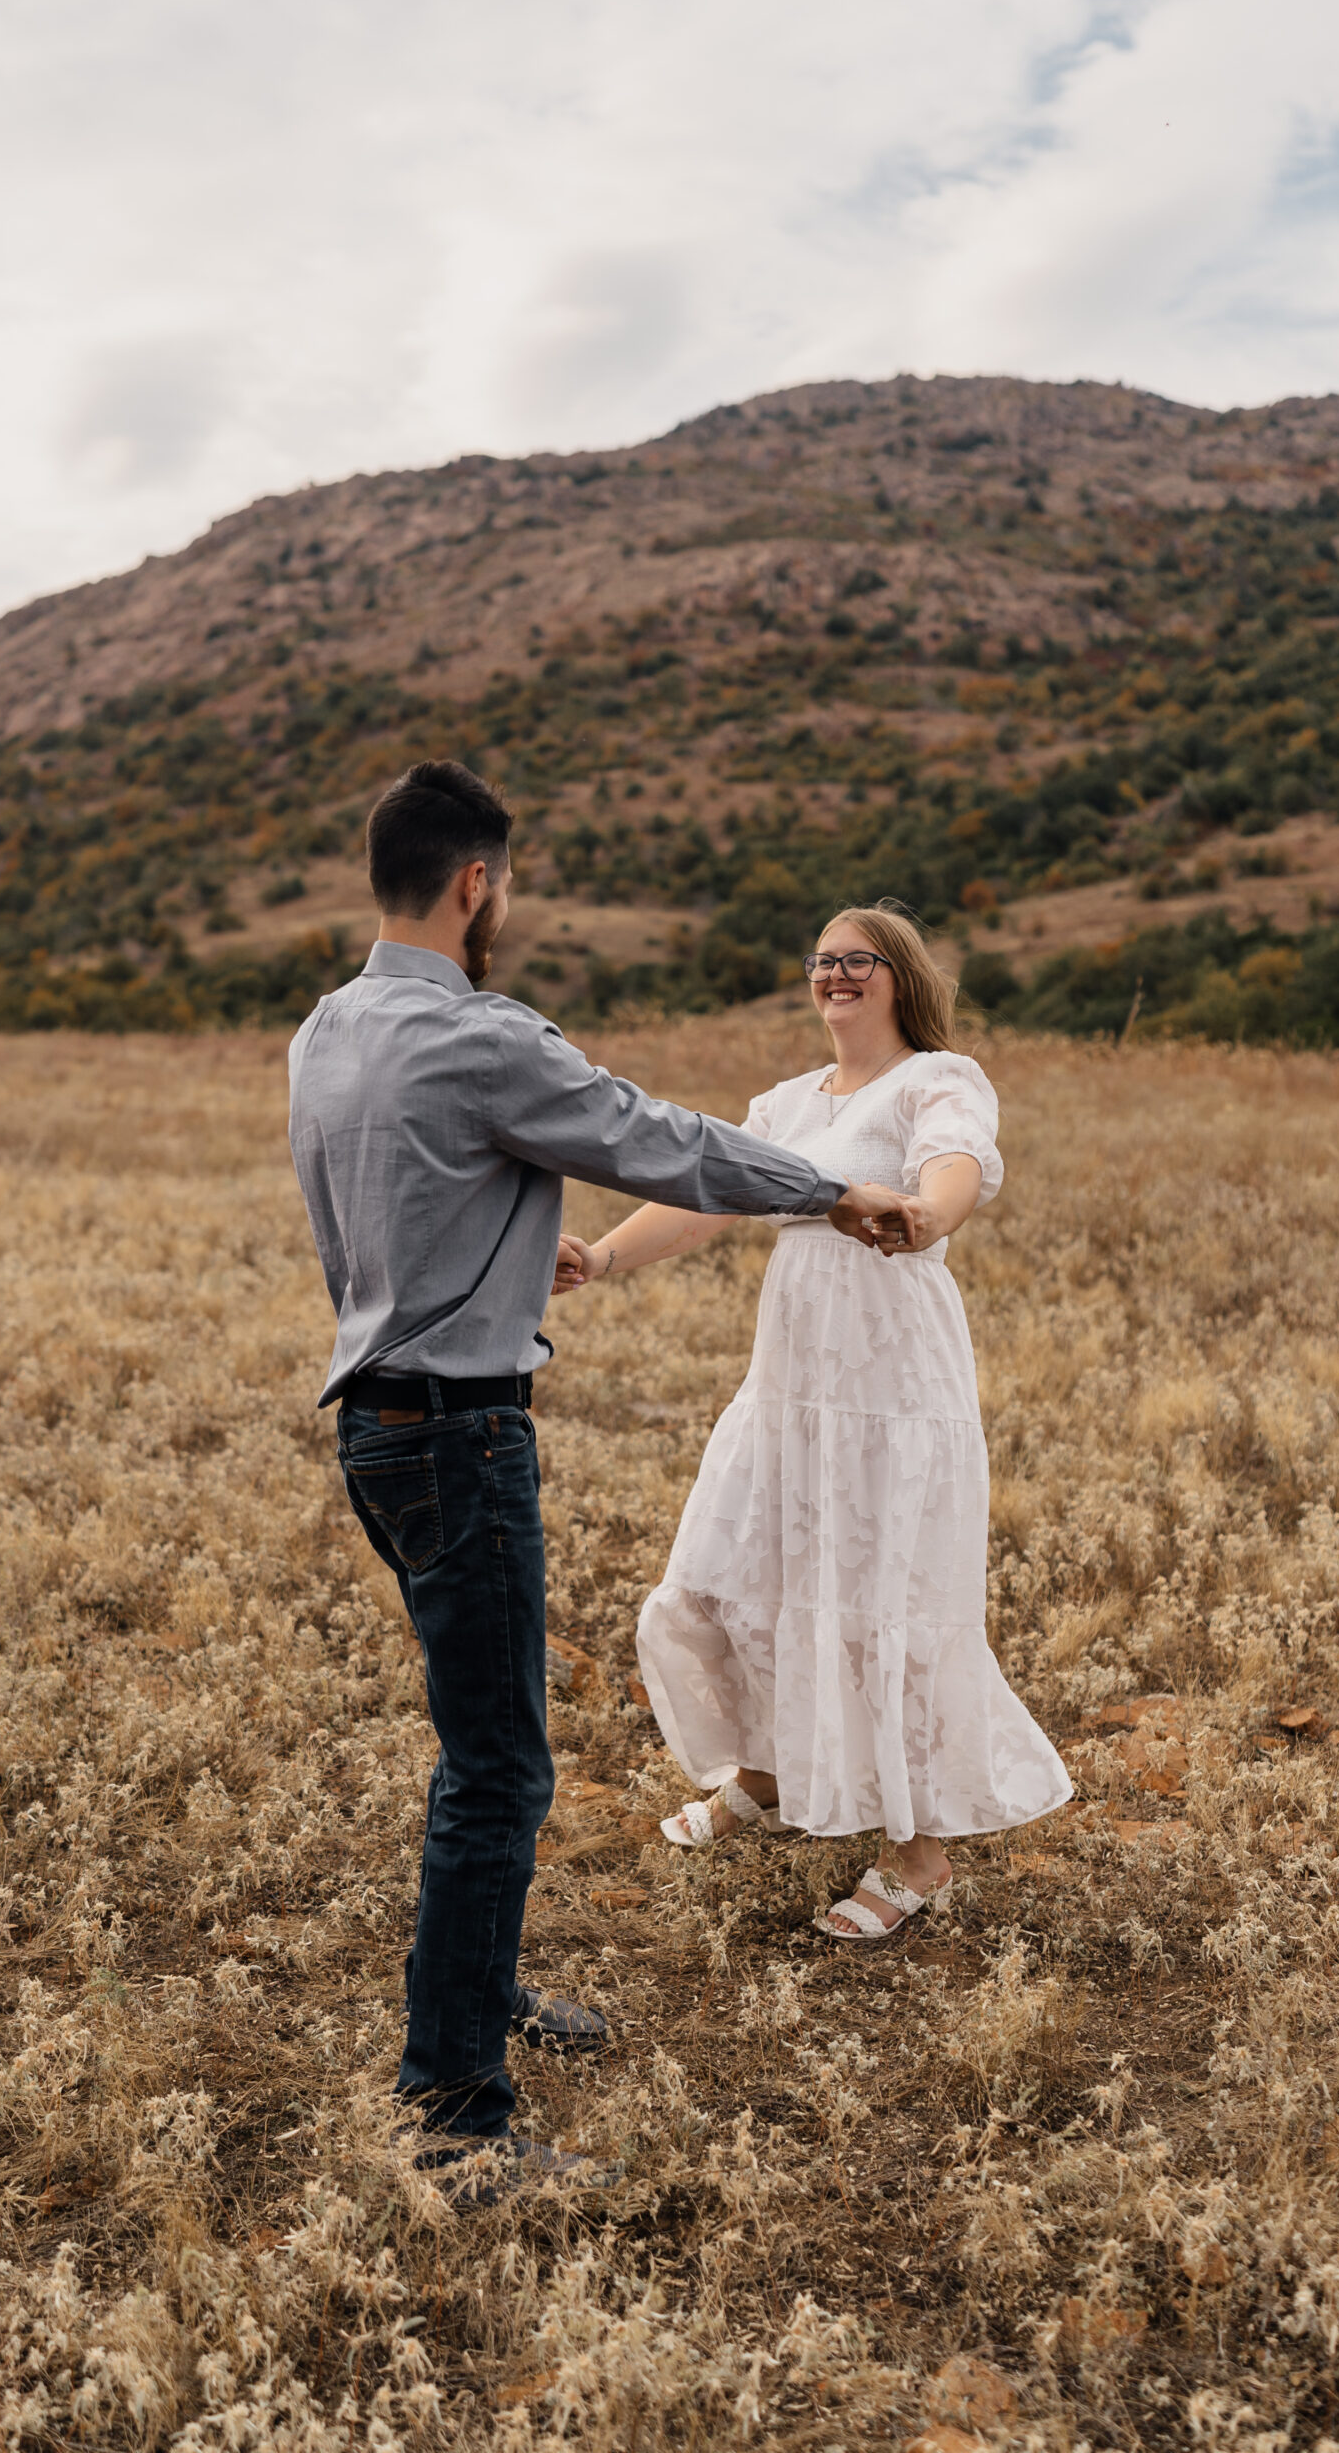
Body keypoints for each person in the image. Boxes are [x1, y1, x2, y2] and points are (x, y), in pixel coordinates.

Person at [286, 764, 929, 2205]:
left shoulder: (326, 1029)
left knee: (479, 1745)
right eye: (501, 886)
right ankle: (453, 2115)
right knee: (498, 1768)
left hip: (377, 1426)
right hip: (457, 1428)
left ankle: (480, 1998)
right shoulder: (480, 1036)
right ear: (475, 886)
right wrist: (831, 1189)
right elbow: (660, 1139)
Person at [555, 903, 1071, 1947]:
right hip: (793, 1379)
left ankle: (916, 1851)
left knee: (882, 1595)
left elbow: (954, 1162)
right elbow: (707, 1194)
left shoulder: (938, 1076)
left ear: (900, 975)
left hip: (889, 1379)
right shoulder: (786, 1103)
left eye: (858, 961)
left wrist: (929, 1213)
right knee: (732, 1568)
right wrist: (602, 1256)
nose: (836, 975)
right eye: (822, 961)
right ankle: (766, 1769)